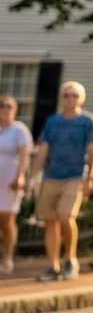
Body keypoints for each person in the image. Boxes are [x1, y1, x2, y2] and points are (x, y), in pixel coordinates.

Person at [28, 81, 93, 282]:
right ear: (61, 97)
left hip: (75, 176)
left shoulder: (88, 121)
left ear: (82, 99)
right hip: (52, 176)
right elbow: (43, 149)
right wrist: (33, 176)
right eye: (67, 95)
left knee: (66, 215)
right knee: (50, 220)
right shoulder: (52, 121)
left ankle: (70, 258)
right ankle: (53, 265)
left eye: (75, 95)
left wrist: (91, 177)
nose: (70, 99)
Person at [0, 94, 31, 274]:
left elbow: (24, 155)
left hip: (10, 178)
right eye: (3, 106)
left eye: (9, 106)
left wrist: (20, 176)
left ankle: (7, 258)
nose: (5, 109)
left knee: (7, 220)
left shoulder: (19, 130)